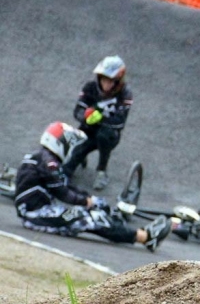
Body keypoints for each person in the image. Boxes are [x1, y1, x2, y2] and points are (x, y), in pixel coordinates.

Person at [14, 122, 170, 251]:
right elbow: (62, 192)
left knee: (93, 211)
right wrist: (86, 202)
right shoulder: (48, 162)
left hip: (36, 213)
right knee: (92, 218)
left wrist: (90, 199)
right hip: (36, 215)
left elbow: (66, 186)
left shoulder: (42, 158)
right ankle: (146, 237)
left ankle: (134, 232)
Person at [62, 55, 134, 191]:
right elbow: (77, 111)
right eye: (103, 79)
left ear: (118, 81)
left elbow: (120, 122)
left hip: (109, 134)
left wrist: (101, 118)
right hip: (87, 130)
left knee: (104, 135)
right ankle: (78, 158)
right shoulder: (90, 88)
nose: (105, 84)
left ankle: (102, 171)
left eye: (110, 81)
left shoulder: (125, 94)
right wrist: (86, 116)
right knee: (69, 163)